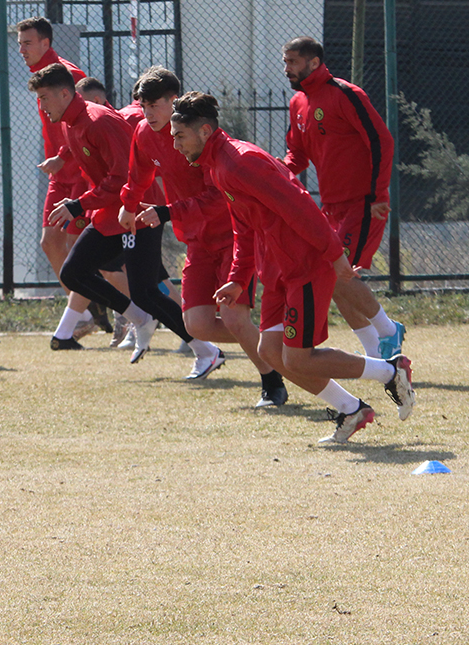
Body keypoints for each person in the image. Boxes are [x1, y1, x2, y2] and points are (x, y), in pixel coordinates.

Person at [168, 92, 415, 443]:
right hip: (278, 268)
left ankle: (391, 371)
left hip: (306, 264)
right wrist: (239, 279)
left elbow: (299, 205)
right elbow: (244, 226)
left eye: (179, 135)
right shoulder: (218, 164)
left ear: (205, 131)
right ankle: (351, 409)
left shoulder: (239, 162)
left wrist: (334, 255)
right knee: (270, 352)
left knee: (298, 358)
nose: (174, 144)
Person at [119, 68, 286, 403]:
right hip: (196, 240)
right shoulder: (143, 133)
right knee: (196, 324)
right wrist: (127, 204)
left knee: (236, 318)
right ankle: (281, 349)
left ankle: (272, 379)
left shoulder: (199, 137)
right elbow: (138, 173)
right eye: (143, 105)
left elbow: (216, 198)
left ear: (173, 101)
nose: (148, 112)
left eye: (154, 104)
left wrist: (167, 211)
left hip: (232, 236)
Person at [31, 64, 215, 367]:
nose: (41, 105)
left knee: (147, 289)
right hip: (112, 212)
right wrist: (62, 161)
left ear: (65, 94)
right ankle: (142, 320)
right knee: (75, 272)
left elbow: (122, 179)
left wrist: (79, 204)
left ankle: (205, 348)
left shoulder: (100, 121)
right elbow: (85, 153)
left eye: (45, 98)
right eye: (144, 105)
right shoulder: (71, 122)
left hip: (137, 212)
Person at [281, 36, 404, 358]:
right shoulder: (298, 103)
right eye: (286, 62)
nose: (287, 69)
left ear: (314, 63)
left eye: (293, 62)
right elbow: (297, 155)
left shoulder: (346, 94)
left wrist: (378, 194)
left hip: (364, 203)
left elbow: (381, 141)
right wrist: (276, 173)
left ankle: (389, 330)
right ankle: (375, 351)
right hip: (331, 206)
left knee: (339, 271)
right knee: (330, 274)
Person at [15, 18, 113, 347]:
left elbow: (99, 118)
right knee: (50, 242)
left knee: (81, 253)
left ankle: (130, 314)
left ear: (45, 43)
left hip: (81, 172)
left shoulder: (69, 75)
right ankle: (84, 311)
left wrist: (68, 157)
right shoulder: (40, 77)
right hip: (60, 174)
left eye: (27, 43)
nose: (22, 49)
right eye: (20, 43)